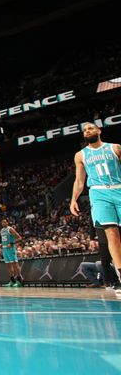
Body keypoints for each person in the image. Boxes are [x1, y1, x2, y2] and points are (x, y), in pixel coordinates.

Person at [70, 122, 121, 294]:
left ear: (99, 131)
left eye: (90, 128)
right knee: (111, 232)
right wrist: (73, 199)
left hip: (118, 188)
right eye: (84, 130)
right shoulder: (80, 155)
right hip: (98, 194)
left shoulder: (115, 148)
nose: (87, 131)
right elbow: (79, 181)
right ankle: (120, 275)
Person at [0, 218, 23, 287]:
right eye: (2, 222)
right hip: (4, 249)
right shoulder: (1, 230)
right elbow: (4, 239)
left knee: (15, 264)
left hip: (11, 249)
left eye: (5, 222)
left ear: (7, 223)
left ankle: (19, 280)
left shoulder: (10, 229)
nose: (3, 223)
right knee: (8, 265)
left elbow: (19, 238)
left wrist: (12, 243)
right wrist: (1, 244)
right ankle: (12, 281)